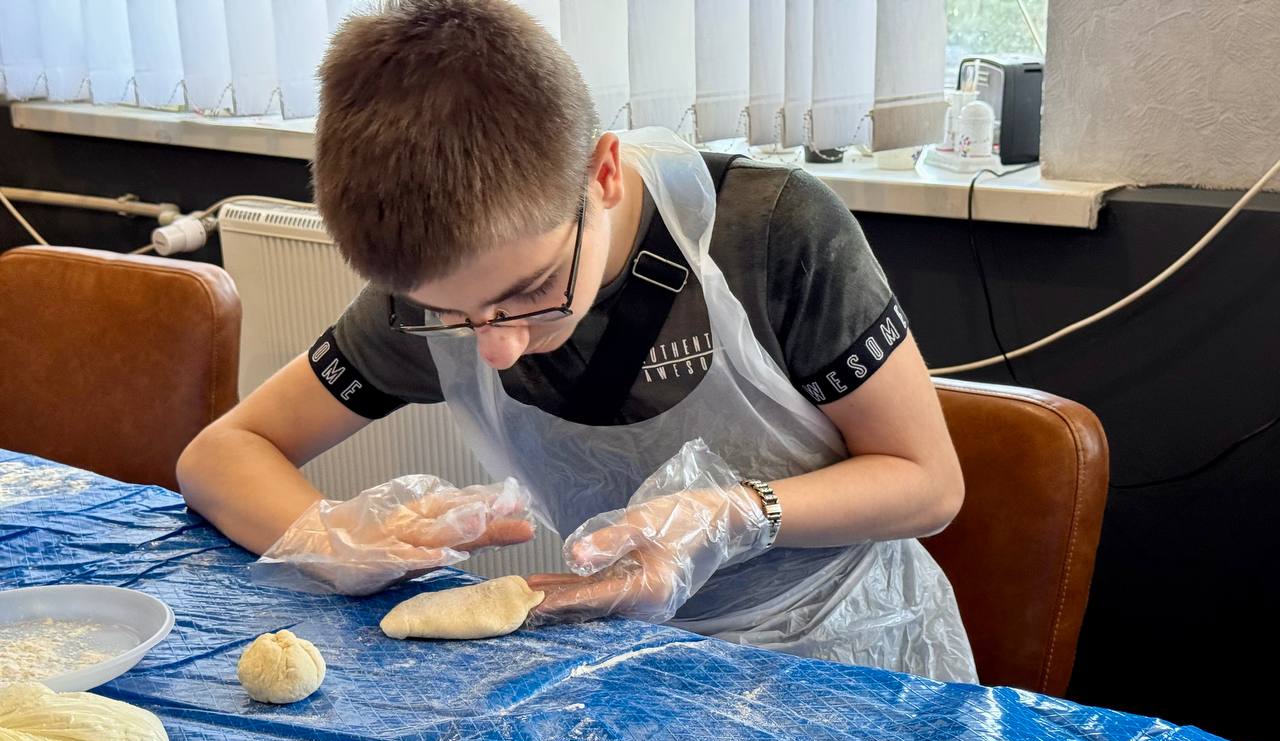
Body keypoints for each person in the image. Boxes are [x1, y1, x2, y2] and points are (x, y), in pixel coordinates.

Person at [177, 0, 977, 682]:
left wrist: (734, 512)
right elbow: (221, 455)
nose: (496, 349)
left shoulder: (772, 234)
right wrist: (336, 541)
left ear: (603, 175)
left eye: (530, 293)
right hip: (629, 665)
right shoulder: (436, 287)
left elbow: (929, 484)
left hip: (850, 651)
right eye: (452, 317)